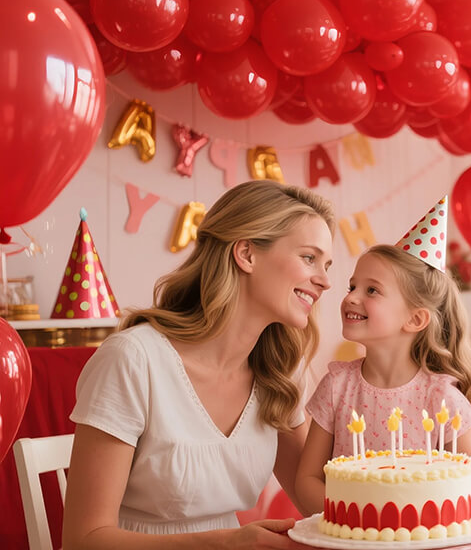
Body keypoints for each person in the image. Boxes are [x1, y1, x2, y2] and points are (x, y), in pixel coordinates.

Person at [63, 180, 336, 549]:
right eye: (309, 258)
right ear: (247, 254)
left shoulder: (280, 371)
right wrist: (224, 543)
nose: (325, 281)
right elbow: (84, 539)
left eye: (327, 264)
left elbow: (319, 500)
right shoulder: (134, 360)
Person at [295, 197, 471, 516]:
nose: (351, 298)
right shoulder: (337, 387)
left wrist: (444, 521)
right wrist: (357, 520)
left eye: (371, 290)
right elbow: (307, 479)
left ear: (415, 319)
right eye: (352, 287)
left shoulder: (440, 396)